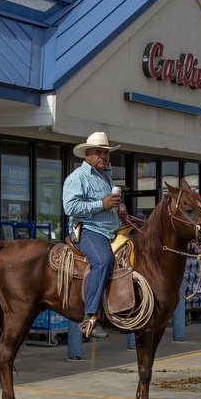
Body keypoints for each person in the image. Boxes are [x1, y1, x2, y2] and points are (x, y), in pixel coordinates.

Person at [63, 130, 126, 339]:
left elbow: (108, 203)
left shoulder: (106, 174)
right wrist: (102, 204)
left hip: (111, 229)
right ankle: (89, 316)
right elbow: (70, 207)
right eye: (99, 152)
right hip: (89, 230)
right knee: (102, 261)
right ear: (86, 154)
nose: (103, 156)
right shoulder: (78, 177)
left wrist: (119, 207)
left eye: (106, 153)